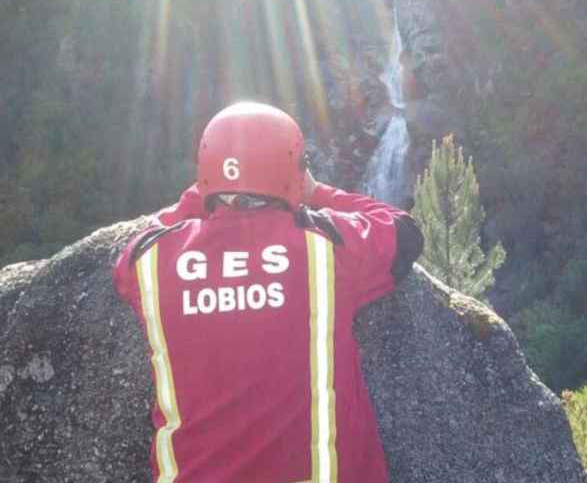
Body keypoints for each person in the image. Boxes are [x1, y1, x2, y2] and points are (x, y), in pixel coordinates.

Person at [113, 101, 423, 483]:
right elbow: (403, 232)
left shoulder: (151, 262)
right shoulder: (326, 248)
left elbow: (137, 245)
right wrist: (318, 192)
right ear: (293, 172)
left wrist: (201, 194)